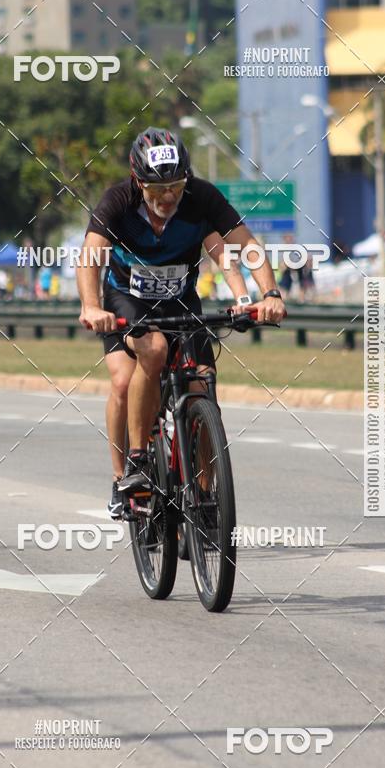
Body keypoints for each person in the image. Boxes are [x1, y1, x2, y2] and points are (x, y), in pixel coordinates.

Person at [77, 126, 286, 518]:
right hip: (128, 300)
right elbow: (90, 256)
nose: (167, 198)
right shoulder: (117, 201)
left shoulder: (202, 197)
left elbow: (246, 245)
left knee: (202, 380)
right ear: (137, 182)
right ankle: (132, 466)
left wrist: (270, 293)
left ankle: (205, 494)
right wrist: (91, 306)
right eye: (156, 191)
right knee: (137, 367)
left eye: (174, 186)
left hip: (180, 299)